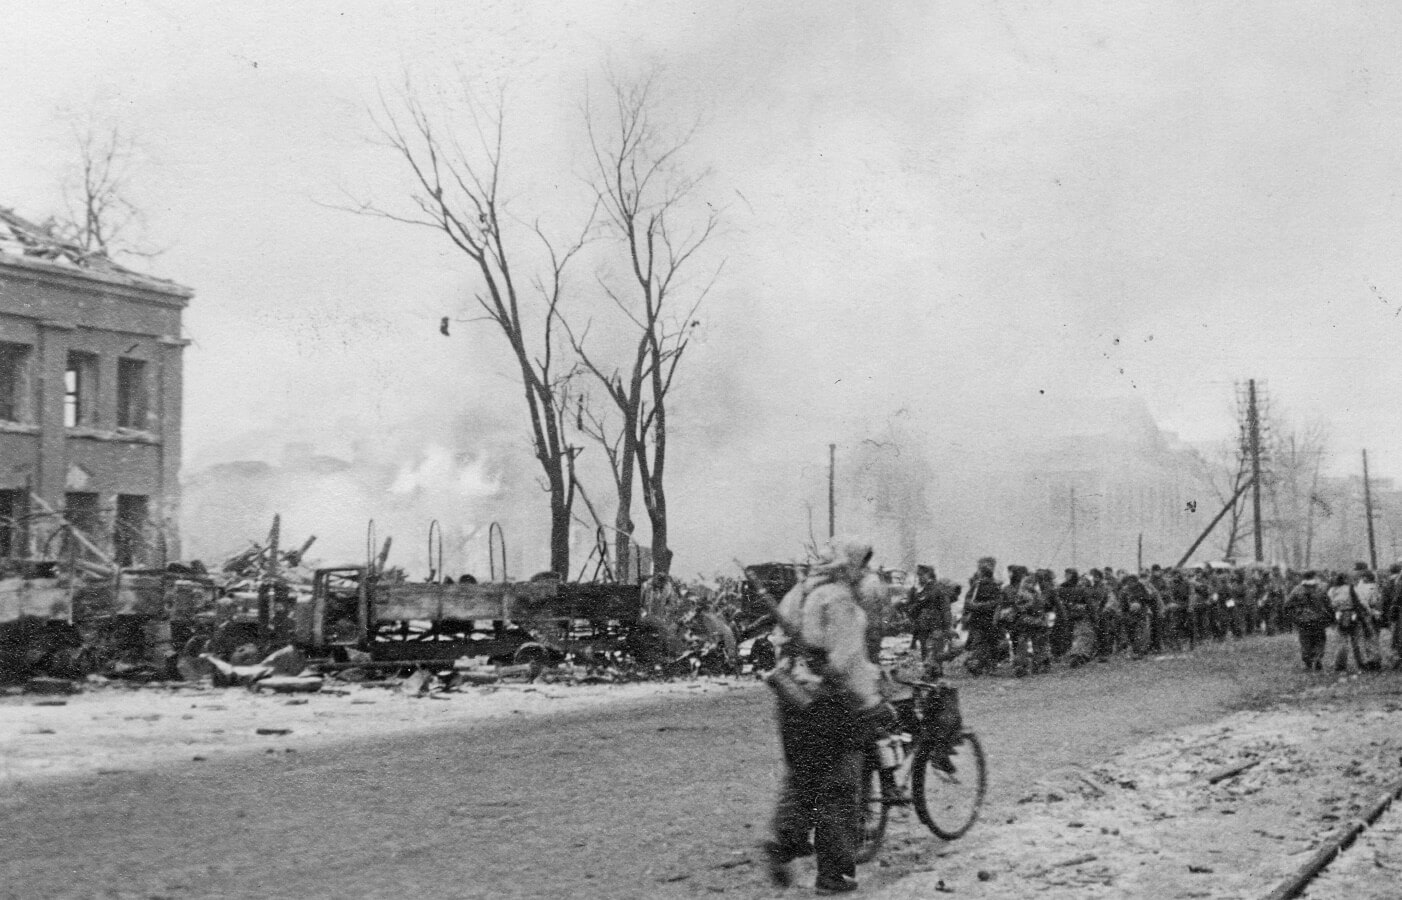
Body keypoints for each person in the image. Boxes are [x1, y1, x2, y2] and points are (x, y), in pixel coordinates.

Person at [765, 540, 889, 895]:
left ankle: (784, 841)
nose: (863, 572)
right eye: (861, 565)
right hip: (830, 704)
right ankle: (833, 877)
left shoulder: (798, 592)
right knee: (839, 787)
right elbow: (846, 659)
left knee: (803, 776)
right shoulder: (838, 598)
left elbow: (779, 643)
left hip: (792, 699)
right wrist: (870, 699)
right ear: (849, 565)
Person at [962, 557, 1004, 676]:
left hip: (978, 620)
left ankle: (977, 665)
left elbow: (968, 602)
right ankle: (989, 667)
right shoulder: (994, 586)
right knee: (991, 644)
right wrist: (985, 606)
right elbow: (997, 603)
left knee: (979, 643)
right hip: (990, 620)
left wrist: (977, 606)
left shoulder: (976, 585)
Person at [1285, 570, 1332, 670]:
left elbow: (1287, 605)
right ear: (1314, 577)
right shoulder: (1320, 589)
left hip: (1303, 620)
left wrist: (1294, 617)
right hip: (1319, 619)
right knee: (1319, 640)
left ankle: (1308, 662)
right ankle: (1317, 658)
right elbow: (1328, 604)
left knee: (1305, 641)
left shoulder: (1297, 589)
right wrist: (1328, 618)